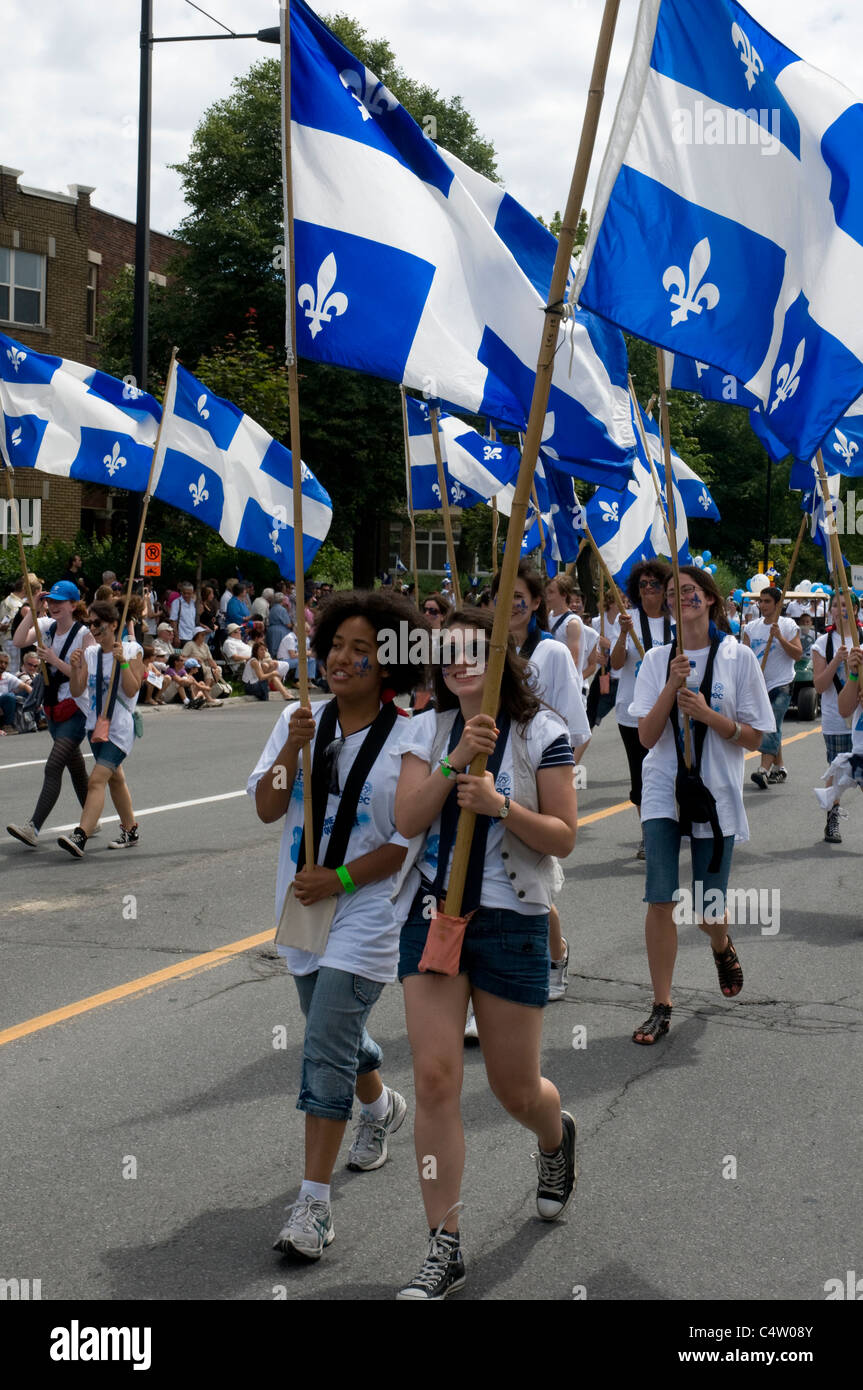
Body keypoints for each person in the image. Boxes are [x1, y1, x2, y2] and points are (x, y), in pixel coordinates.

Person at [394, 607, 578, 1299]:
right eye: (447, 652)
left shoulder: (541, 732)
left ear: (501, 658)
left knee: (514, 1089)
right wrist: (451, 761)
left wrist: (502, 805)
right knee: (436, 1081)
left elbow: (562, 836)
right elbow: (406, 819)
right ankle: (443, 1245)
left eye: (473, 650)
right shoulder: (425, 729)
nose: (457, 661)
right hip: (432, 919)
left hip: (511, 922)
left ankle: (554, 1135)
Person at [248, 589, 428, 1262]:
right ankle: (380, 1106)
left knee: (323, 1046)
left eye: (362, 649)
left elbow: (403, 842)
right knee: (336, 1034)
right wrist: (289, 754)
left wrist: (343, 878)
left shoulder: (411, 735)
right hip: (301, 904)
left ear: (389, 665)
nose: (341, 659)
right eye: (335, 645)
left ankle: (312, 1208)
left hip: (369, 909)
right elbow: (269, 809)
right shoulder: (300, 720)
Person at [629, 567, 774, 1044]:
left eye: (688, 591)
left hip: (716, 794)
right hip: (662, 792)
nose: (679, 599)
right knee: (660, 900)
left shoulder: (737, 657)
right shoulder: (656, 660)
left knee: (708, 909)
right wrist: (672, 685)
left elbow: (759, 736)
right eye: (672, 594)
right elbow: (647, 738)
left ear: (710, 599)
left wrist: (710, 717)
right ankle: (661, 1004)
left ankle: (721, 941)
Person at [490, 562, 589, 1005]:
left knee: (527, 878)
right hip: (487, 773)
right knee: (500, 879)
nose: (510, 602)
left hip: (534, 778)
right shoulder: (484, 648)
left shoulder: (550, 653)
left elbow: (575, 728)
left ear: (535, 602)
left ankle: (554, 955)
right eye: (502, 593)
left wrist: (556, 789)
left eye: (520, 595)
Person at [6, 581, 97, 848]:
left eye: (60, 601)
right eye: (51, 601)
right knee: (77, 768)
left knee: (54, 765)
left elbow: (86, 677)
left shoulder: (84, 635)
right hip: (52, 706)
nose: (54, 606)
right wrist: (32, 608)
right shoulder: (46, 626)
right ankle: (91, 819)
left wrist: (55, 660)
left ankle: (33, 827)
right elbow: (19, 640)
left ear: (73, 604)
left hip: (77, 708)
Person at [57, 600, 146, 857]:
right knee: (115, 778)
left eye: (98, 623)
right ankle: (130, 830)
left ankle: (81, 835)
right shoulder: (91, 653)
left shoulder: (131, 650)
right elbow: (77, 690)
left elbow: (131, 690)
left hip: (118, 729)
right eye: (90, 623)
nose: (93, 629)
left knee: (96, 780)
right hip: (94, 727)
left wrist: (124, 663)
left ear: (114, 624)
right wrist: (74, 669)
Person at [610, 560, 673, 859]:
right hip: (633, 712)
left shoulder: (677, 621)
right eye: (643, 584)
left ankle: (672, 825)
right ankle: (648, 835)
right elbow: (616, 663)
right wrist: (623, 635)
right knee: (641, 776)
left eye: (655, 584)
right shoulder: (628, 618)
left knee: (672, 771)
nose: (648, 589)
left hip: (671, 709)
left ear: (665, 589)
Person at [813, 594, 862, 843]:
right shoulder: (823, 643)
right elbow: (820, 686)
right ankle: (832, 820)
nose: (839, 609)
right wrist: (836, 660)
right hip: (835, 720)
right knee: (838, 772)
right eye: (835, 605)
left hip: (860, 721)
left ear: (855, 609)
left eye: (845, 605)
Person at [742, 587, 802, 788]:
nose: (762, 605)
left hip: (782, 684)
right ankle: (780, 768)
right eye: (761, 601)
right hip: (760, 686)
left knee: (771, 724)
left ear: (778, 604)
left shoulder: (787, 625)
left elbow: (797, 654)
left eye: (767, 601)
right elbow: (745, 656)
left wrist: (780, 638)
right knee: (771, 726)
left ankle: (763, 770)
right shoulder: (751, 628)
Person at [0, 649, 32, 734]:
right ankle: (7, 725)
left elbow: (25, 686)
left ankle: (38, 719)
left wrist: (37, 699)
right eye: (0, 662)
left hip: (4, 706)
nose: (3, 665)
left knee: (28, 691)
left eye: (5, 663)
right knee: (9, 696)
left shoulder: (7, 676)